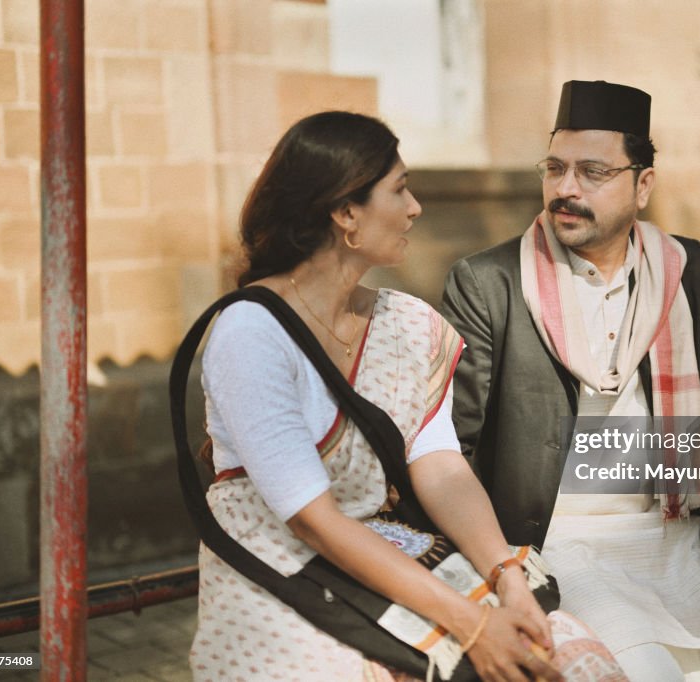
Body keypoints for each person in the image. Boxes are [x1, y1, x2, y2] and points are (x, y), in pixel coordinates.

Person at [189, 110, 629, 682]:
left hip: (388, 549)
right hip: (282, 573)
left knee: (566, 655)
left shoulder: (405, 322)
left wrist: (507, 577)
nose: (415, 207)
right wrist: (472, 625)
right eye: (399, 190)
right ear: (346, 213)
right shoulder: (251, 333)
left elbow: (440, 464)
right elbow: (312, 521)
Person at [441, 81, 700, 680]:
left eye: (593, 172)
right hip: (559, 546)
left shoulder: (682, 266)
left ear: (642, 186)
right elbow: (450, 446)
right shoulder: (491, 281)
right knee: (642, 669)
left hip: (677, 538)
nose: (566, 189)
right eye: (556, 169)